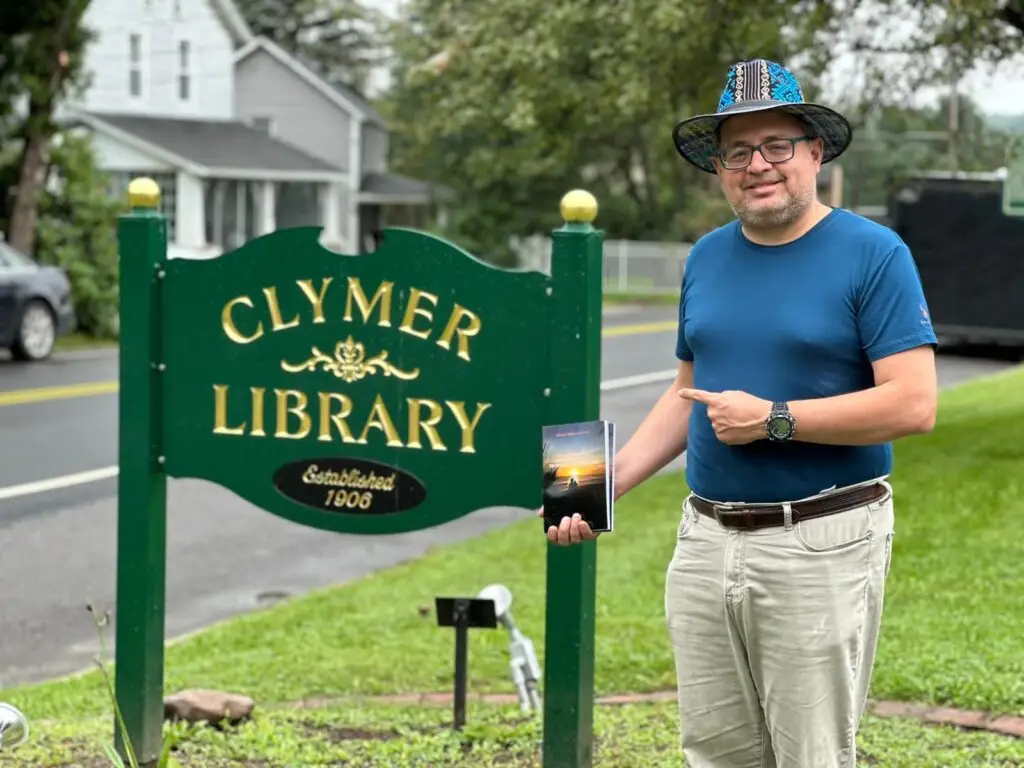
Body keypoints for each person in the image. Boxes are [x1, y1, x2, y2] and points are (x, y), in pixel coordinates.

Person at [540, 58, 939, 767]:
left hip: (819, 540)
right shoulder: (708, 256)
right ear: (718, 166)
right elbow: (683, 393)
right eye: (736, 151)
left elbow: (913, 402)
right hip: (704, 542)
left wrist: (776, 419)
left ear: (815, 151)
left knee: (810, 754)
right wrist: (594, 491)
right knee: (716, 752)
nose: (757, 165)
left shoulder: (874, 254)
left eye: (776, 145)